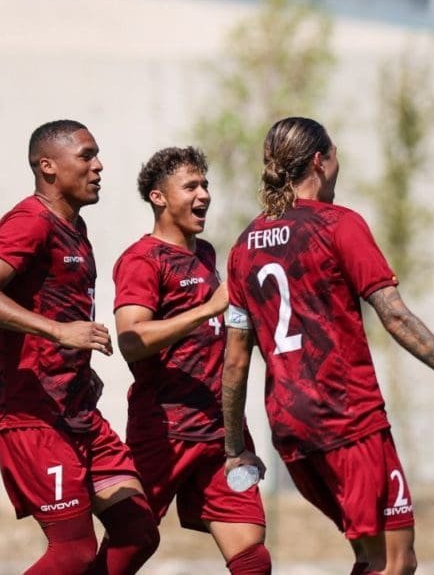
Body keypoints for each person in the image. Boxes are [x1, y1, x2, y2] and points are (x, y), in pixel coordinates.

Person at [222, 117, 434, 575]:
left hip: (290, 425)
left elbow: (236, 362)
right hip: (347, 418)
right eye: (336, 157)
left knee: (375, 556)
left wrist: (236, 448)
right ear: (320, 162)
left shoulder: (244, 246)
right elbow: (395, 314)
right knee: (393, 562)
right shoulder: (339, 225)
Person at [0, 120, 159, 574]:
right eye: (86, 156)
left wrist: (76, 362)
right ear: (48, 166)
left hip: (77, 412)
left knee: (137, 531)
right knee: (73, 552)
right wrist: (57, 332)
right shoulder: (31, 220)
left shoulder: (77, 228)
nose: (99, 166)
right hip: (34, 416)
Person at [112, 147, 270, 574]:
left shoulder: (206, 254)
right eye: (191, 186)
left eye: (205, 185)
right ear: (158, 197)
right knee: (131, 545)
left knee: (253, 560)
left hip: (220, 434)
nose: (204, 195)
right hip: (165, 429)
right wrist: (206, 309)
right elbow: (131, 339)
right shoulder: (142, 259)